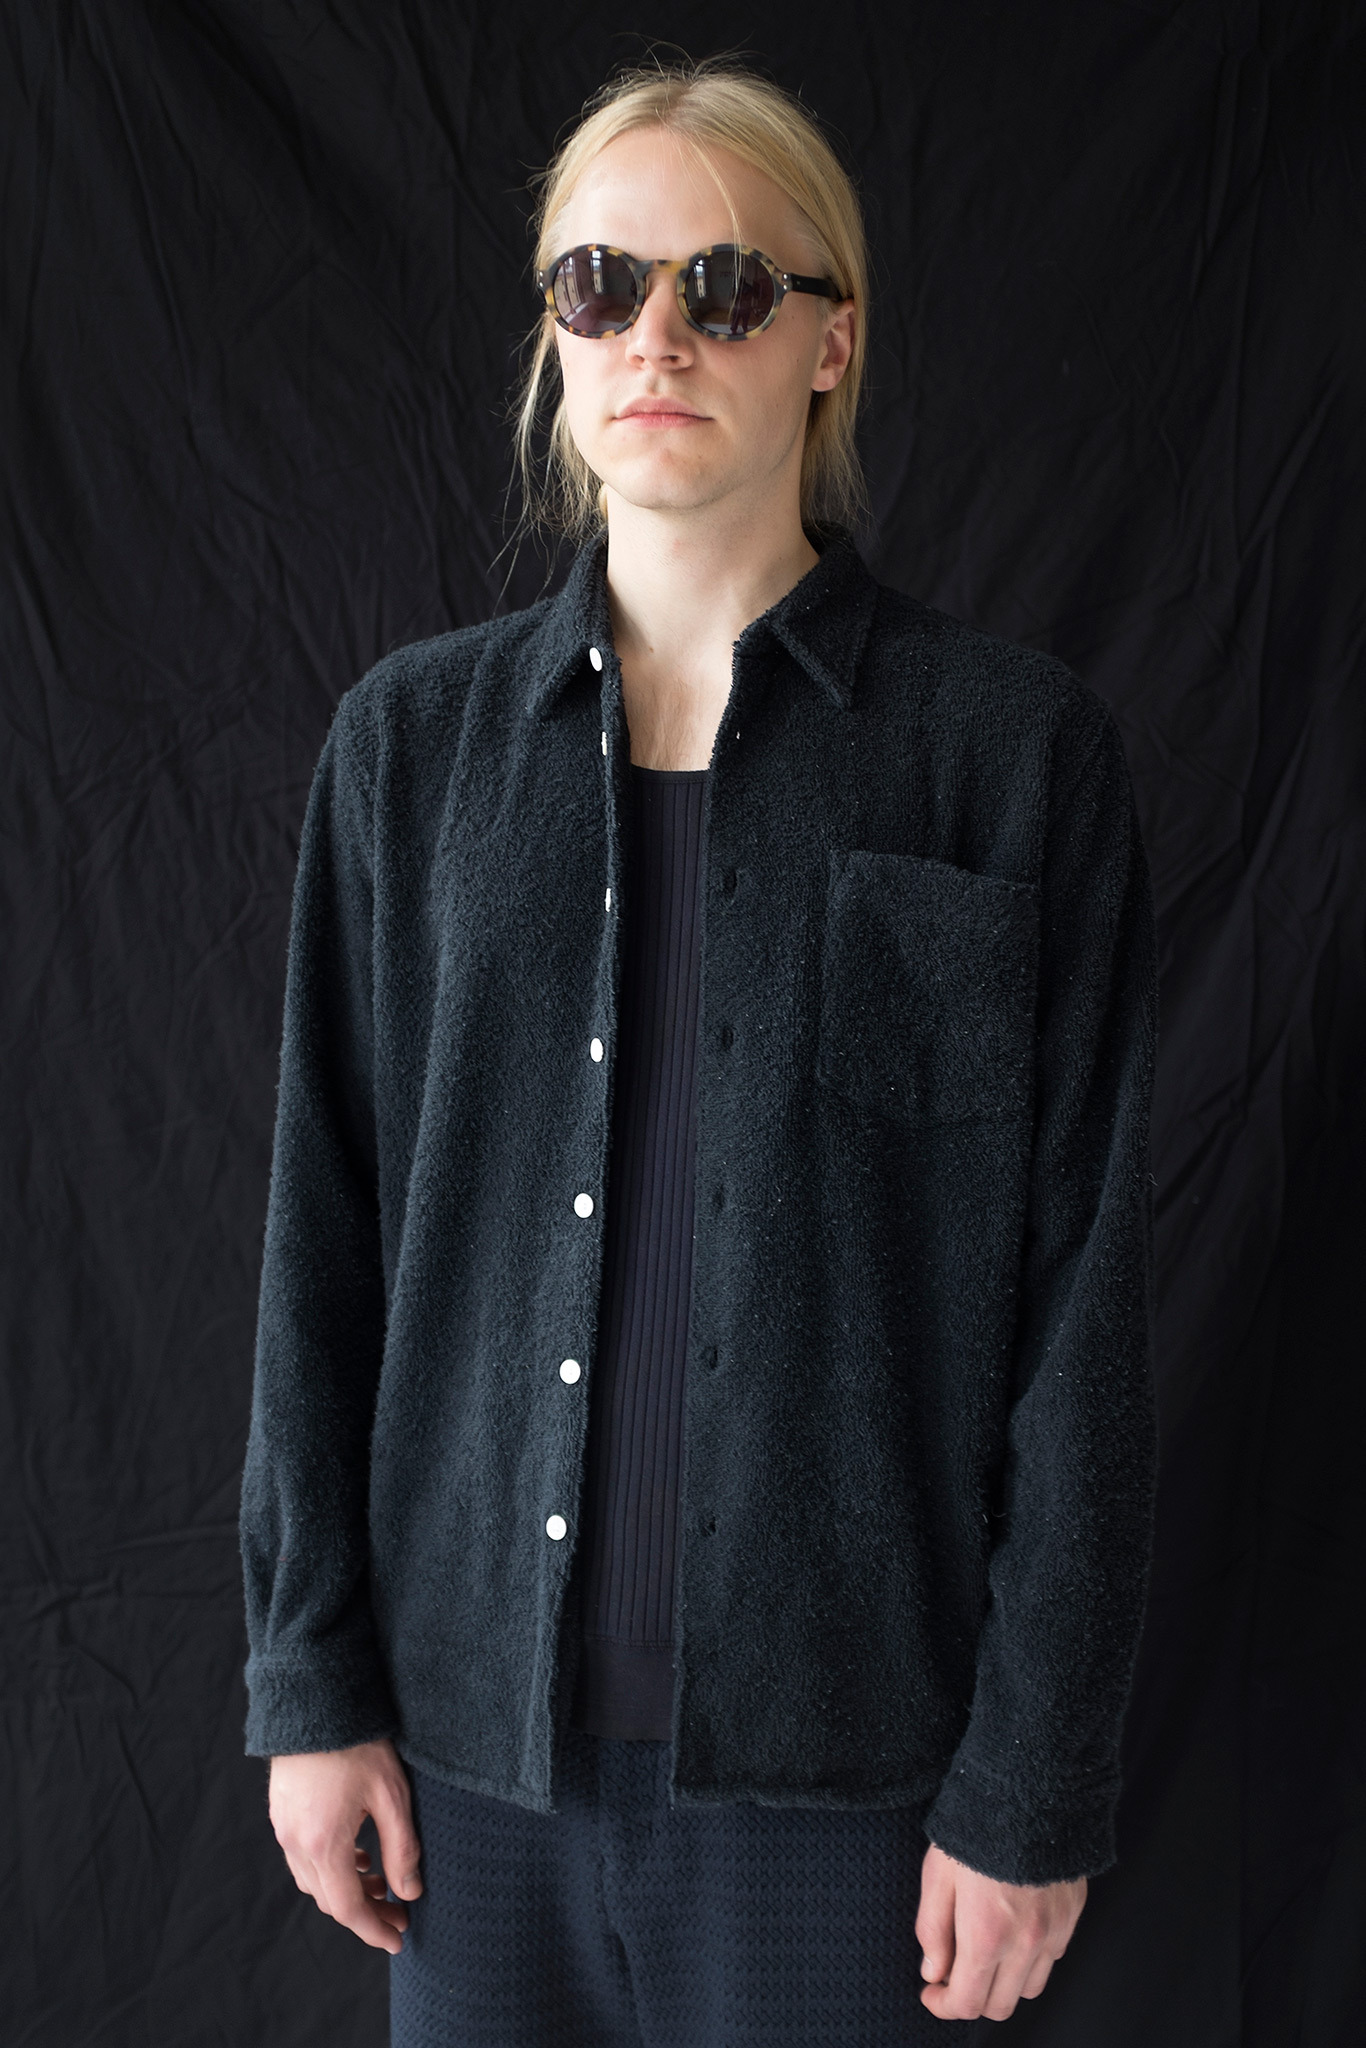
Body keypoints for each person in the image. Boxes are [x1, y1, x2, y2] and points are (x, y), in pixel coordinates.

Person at [239, 53, 1159, 2044]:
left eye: (725, 286)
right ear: (553, 336)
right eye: (598, 284)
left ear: (831, 340)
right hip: (469, 1782)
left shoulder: (1006, 759)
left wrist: (1030, 1777)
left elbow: (1083, 1306)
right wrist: (311, 1684)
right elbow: (324, 1240)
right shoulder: (407, 754)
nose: (655, 336)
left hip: (856, 1788)